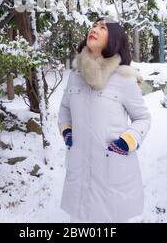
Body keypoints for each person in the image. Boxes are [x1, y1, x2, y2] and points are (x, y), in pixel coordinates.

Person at [58, 16, 151, 223]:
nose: (95, 29)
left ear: (114, 39)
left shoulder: (124, 78)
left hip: (110, 172)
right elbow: (65, 109)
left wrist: (128, 140)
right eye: (94, 26)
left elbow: (142, 118)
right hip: (80, 172)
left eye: (103, 28)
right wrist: (67, 131)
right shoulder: (76, 75)